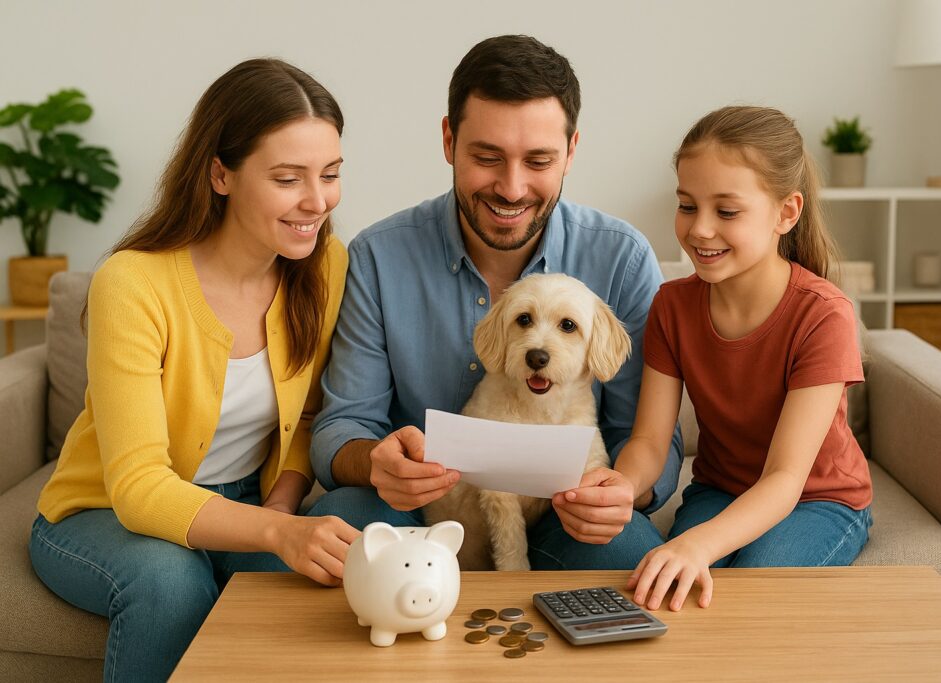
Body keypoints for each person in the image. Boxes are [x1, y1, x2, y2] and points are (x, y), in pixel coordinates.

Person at [29, 59, 358, 682]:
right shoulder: (132, 282)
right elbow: (138, 487)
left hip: (248, 502)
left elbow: (310, 416)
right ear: (220, 174)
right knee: (170, 583)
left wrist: (282, 511)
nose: (317, 202)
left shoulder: (324, 265)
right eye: (289, 179)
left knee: (357, 539)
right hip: (101, 514)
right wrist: (273, 533)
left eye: (331, 175)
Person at [308, 34, 682, 569]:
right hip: (416, 510)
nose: (511, 188)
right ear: (448, 141)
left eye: (538, 160)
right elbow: (343, 427)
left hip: (561, 513)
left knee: (626, 552)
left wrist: (623, 490)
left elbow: (643, 436)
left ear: (571, 151)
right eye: (487, 157)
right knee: (347, 521)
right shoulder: (377, 256)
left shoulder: (620, 258)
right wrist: (375, 462)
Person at [614, 106, 873, 611]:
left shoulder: (823, 316)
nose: (700, 230)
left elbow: (784, 479)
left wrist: (697, 544)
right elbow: (648, 440)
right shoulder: (671, 306)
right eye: (687, 206)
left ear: (787, 212)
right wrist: (621, 486)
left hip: (818, 500)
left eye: (726, 212)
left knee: (752, 588)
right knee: (677, 593)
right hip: (719, 489)